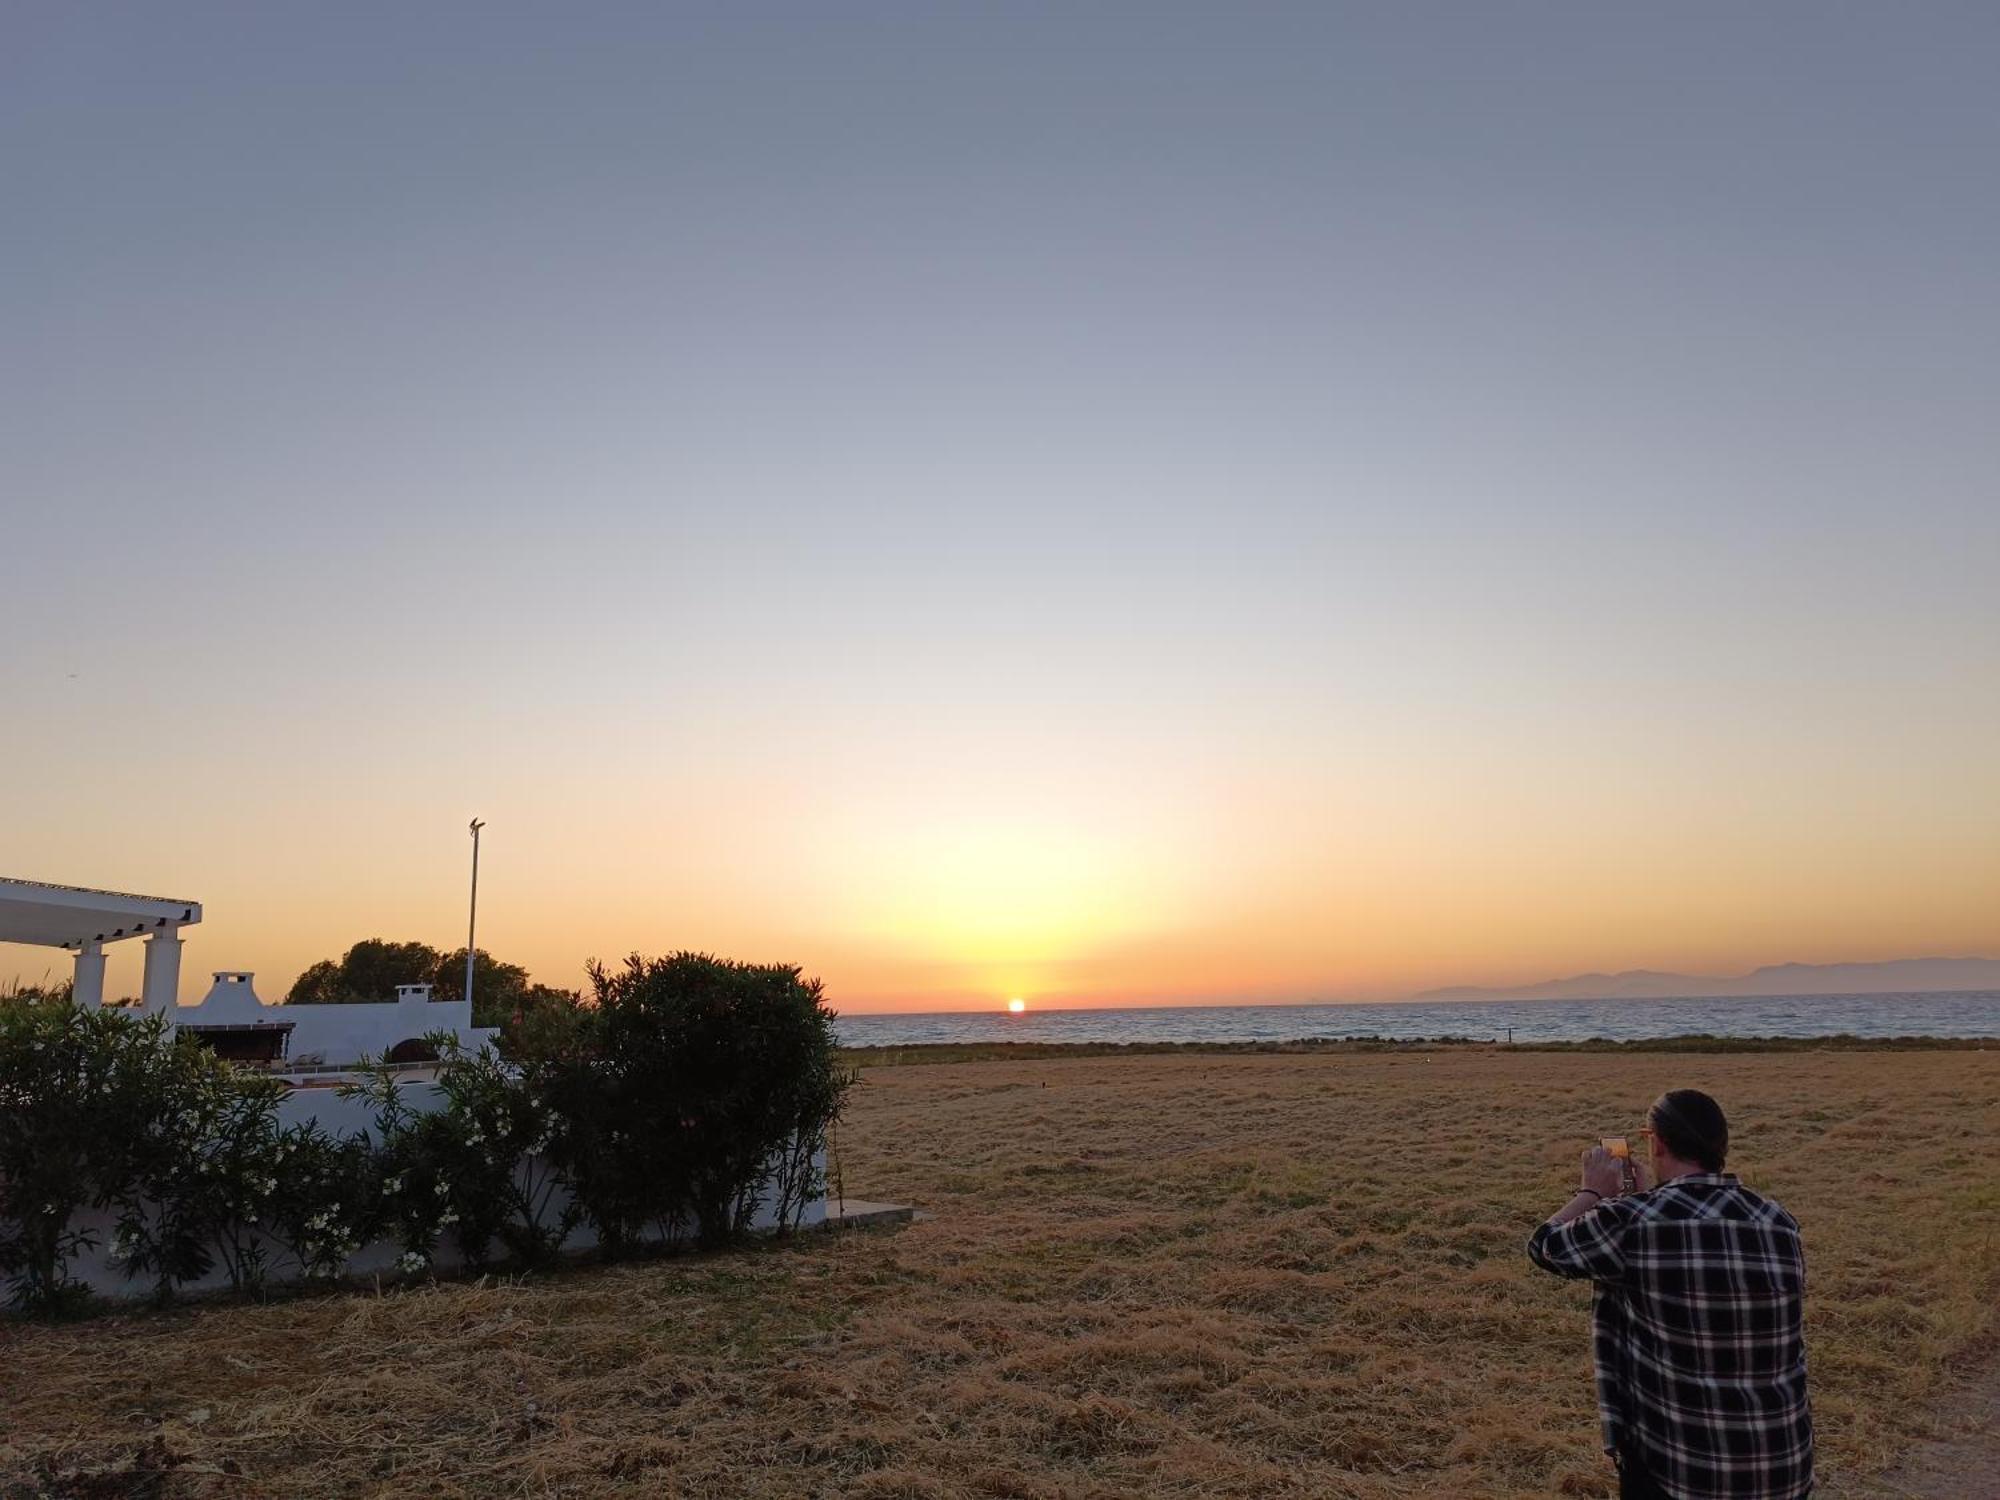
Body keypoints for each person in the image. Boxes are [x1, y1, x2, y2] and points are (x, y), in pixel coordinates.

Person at [1527, 1089, 1814, 1500]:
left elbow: (1545, 1245)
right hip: (1784, 1466)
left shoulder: (1632, 1223)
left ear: (1656, 1143)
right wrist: (1640, 1200)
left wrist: (1591, 1192)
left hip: (1681, 1472)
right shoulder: (1777, 1221)